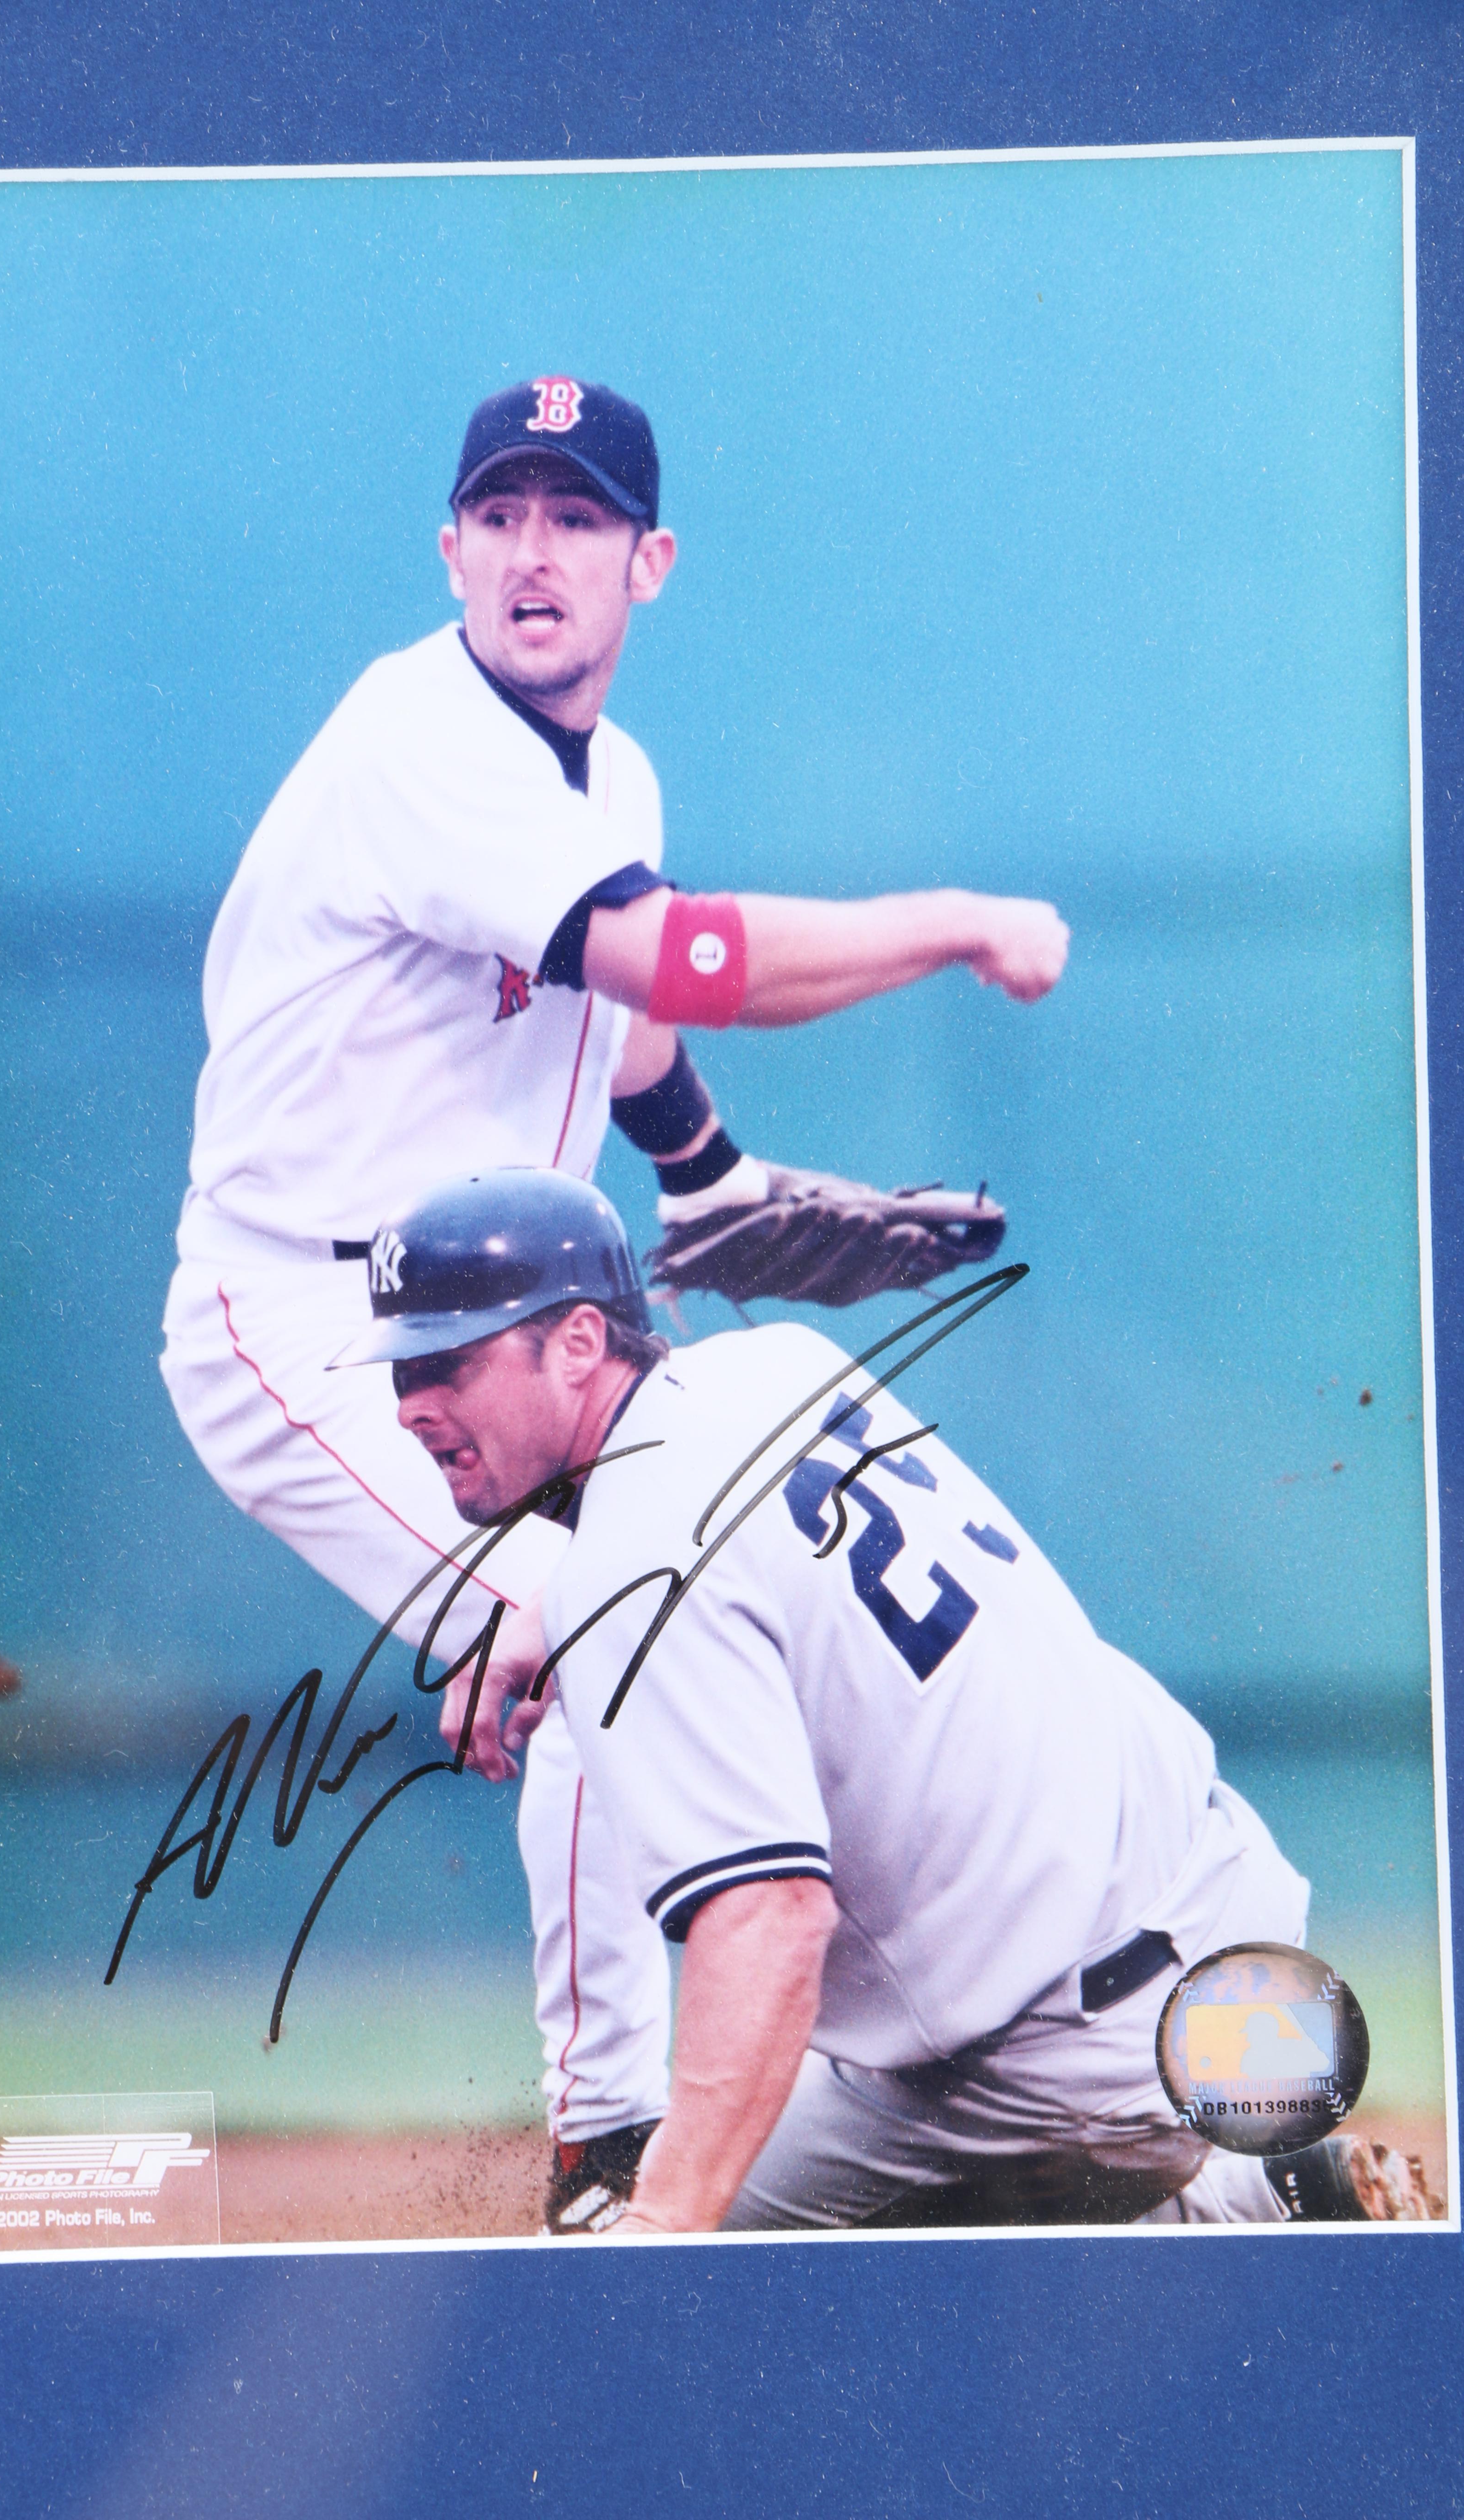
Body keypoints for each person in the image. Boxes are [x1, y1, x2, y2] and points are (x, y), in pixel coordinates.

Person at [159, 374, 1070, 2229]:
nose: (532, 552)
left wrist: (707, 1171)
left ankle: (798, 2089)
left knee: (690, 1628)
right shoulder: (421, 738)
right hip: (305, 1331)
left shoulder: (606, 773)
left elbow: (620, 1009)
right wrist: (956, 920)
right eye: (498, 513)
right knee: (600, 1647)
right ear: (450, 551)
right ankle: (600, 2161)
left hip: (500, 1334)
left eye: (575, 518)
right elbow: (673, 956)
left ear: (650, 562)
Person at [346, 1166, 1431, 2234]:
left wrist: (664, 2233)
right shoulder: (773, 1364)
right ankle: (1284, 2191)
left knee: (665, 2261)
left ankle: (1226, 2205)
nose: (411, 1408)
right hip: (1227, 1920)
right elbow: (708, 1551)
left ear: (578, 1342)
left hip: (1071, 2062)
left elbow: (770, 1921)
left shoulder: (632, 1576)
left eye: (448, 1361)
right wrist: (549, 1618)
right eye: (401, 1371)